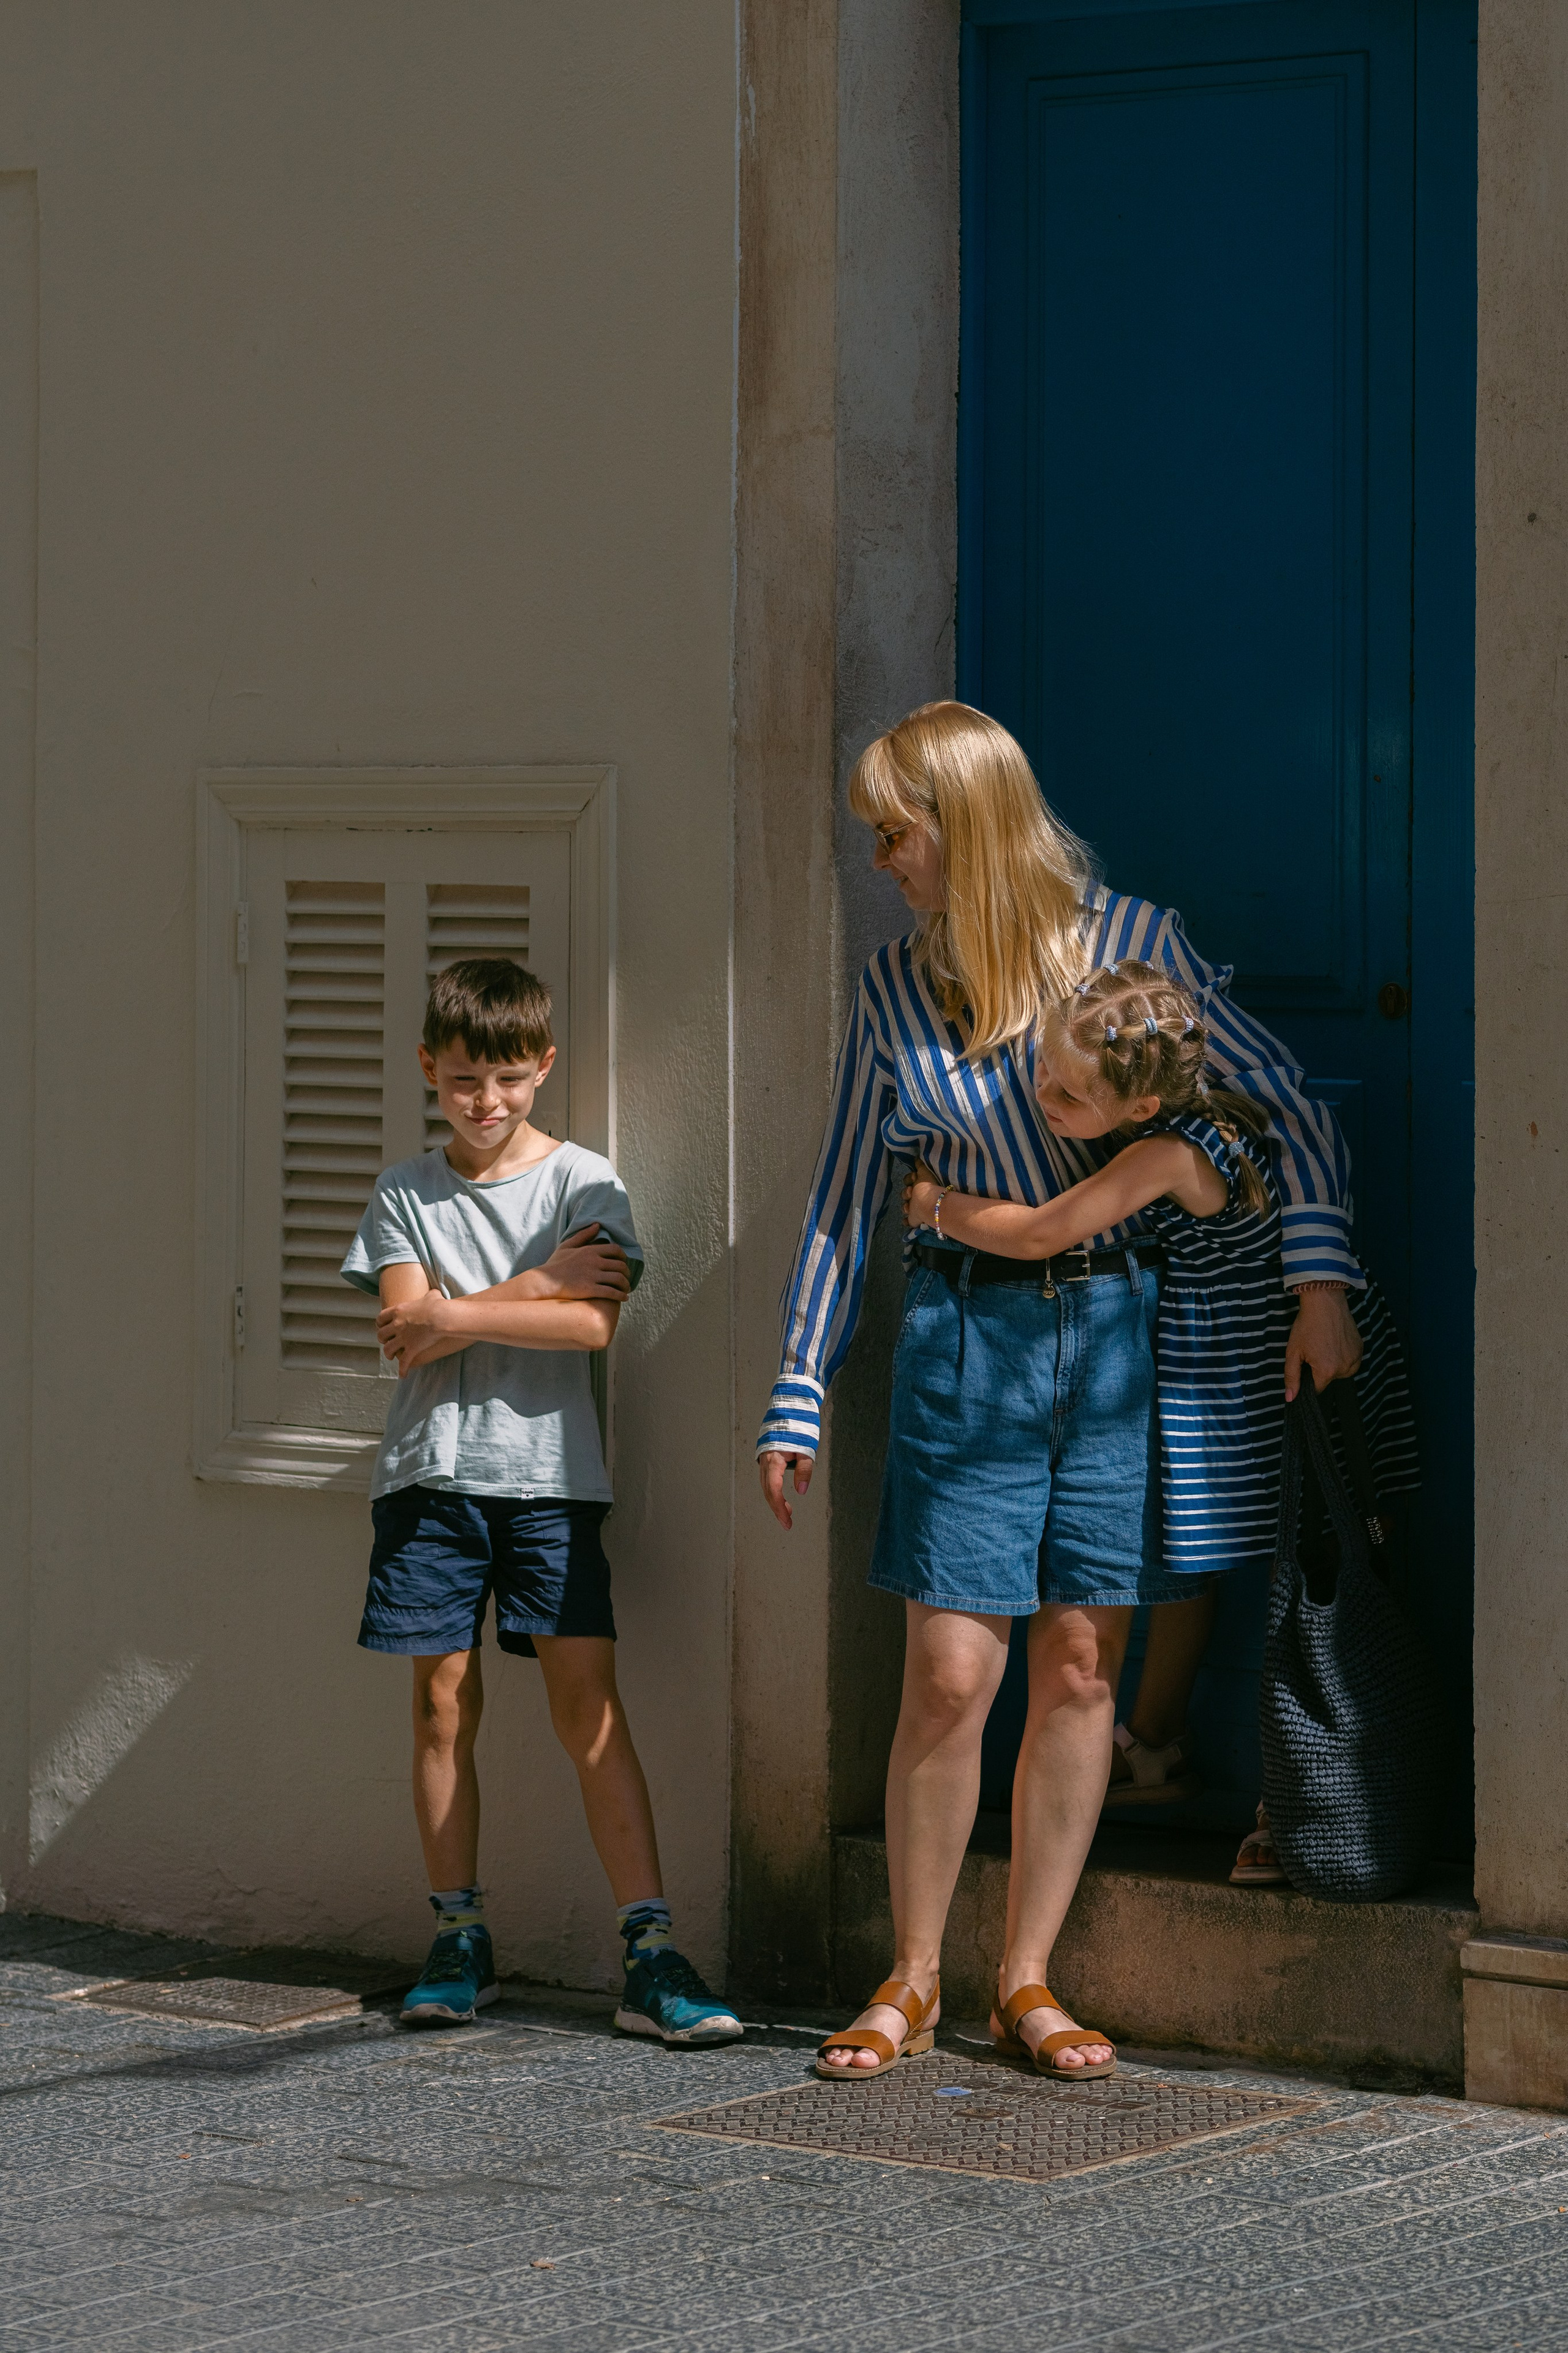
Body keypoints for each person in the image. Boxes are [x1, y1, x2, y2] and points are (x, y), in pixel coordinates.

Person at [758, 701, 1365, 2082]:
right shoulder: (894, 986)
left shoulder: (1133, 947)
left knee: (1082, 1662)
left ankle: (1025, 1978)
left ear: (965, 826)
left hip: (1115, 1342)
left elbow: (1287, 1105)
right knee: (948, 1670)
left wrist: (1318, 1282)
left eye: (895, 834)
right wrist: (798, 1383)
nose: (881, 861)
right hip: (964, 1346)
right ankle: (912, 1976)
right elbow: (846, 1194)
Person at [904, 959, 1419, 1887]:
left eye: (1069, 1093)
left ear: (1140, 1106)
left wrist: (933, 1206)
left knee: (1301, 1571)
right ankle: (1157, 1742)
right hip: (1231, 1364)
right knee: (1193, 1552)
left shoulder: (1168, 1154)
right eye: (1043, 1070)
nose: (1043, 1096)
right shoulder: (1204, 1105)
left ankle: (1294, 1797)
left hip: (1271, 1372)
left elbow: (1044, 1232)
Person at [341, 956, 742, 2045]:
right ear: (430, 1067)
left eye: (510, 1077)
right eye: (465, 1078)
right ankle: (458, 1936)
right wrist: (530, 1286)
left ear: (544, 1065)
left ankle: (650, 1951)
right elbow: (403, 1332)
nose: (488, 1100)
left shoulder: (584, 1184)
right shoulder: (403, 1191)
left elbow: (590, 1326)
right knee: (441, 1706)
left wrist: (456, 1314)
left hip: (551, 1485)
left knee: (589, 1706)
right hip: (430, 1482)